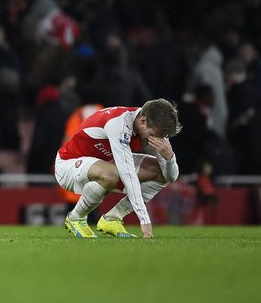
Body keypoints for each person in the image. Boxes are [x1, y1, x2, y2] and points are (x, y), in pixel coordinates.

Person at [55, 99, 181, 239]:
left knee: (160, 173)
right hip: (68, 164)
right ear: (142, 121)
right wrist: (145, 222)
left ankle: (113, 218)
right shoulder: (118, 123)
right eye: (152, 135)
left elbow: (171, 177)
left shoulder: (154, 123)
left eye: (162, 137)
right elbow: (127, 174)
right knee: (111, 174)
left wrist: (170, 158)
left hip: (105, 164)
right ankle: (76, 218)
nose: (155, 140)